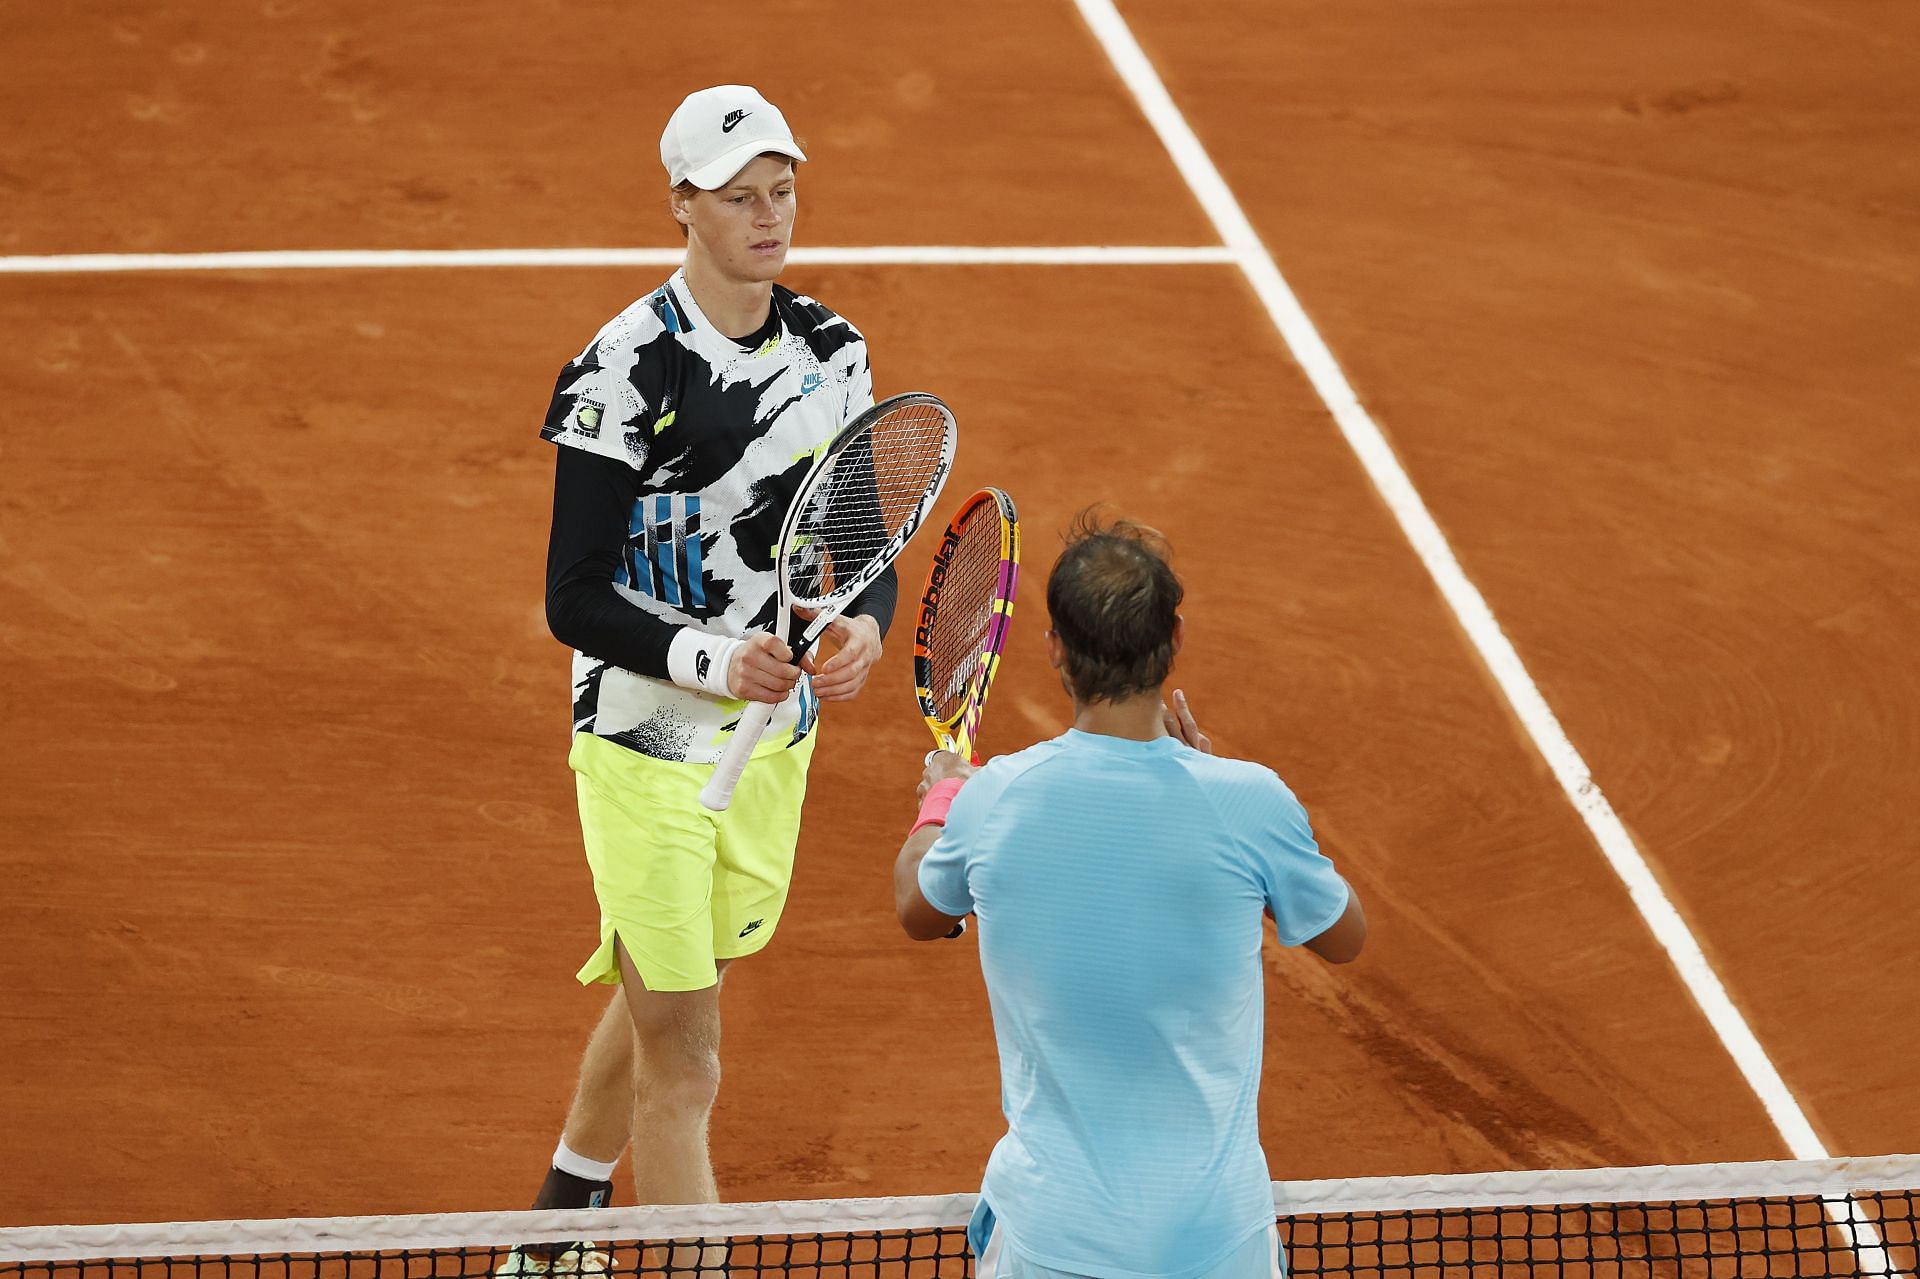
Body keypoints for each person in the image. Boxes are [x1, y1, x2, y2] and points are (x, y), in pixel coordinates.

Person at [502, 85, 895, 1274]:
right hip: (643, 749)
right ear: (683, 206)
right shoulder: (621, 372)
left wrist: (864, 625)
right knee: (689, 1060)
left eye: (781, 192)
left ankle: (553, 1232)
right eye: (739, 199)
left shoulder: (834, 352)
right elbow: (573, 598)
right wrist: (716, 656)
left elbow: (862, 540)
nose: (769, 218)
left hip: (768, 745)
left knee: (665, 988)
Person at [892, 516, 1367, 1279]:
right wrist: (1235, 815)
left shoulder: (995, 800)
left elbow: (920, 908)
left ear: (1056, 649)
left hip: (1053, 1242)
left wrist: (941, 800)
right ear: (1174, 638)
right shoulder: (1252, 802)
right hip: (1217, 1247)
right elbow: (1344, 935)